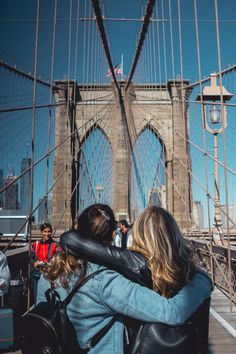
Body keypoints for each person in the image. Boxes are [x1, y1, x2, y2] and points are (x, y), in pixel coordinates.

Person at [37, 204, 212, 354]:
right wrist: (203, 279)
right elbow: (171, 312)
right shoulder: (106, 281)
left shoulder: (48, 274)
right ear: (113, 235)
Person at [31, 223, 58, 301]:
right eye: (45, 231)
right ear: (41, 232)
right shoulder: (36, 244)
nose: (47, 234)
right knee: (37, 296)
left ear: (51, 232)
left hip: (50, 275)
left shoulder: (56, 245)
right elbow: (31, 259)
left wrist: (46, 262)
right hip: (38, 274)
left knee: (50, 297)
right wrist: (34, 263)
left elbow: (57, 259)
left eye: (49, 231)